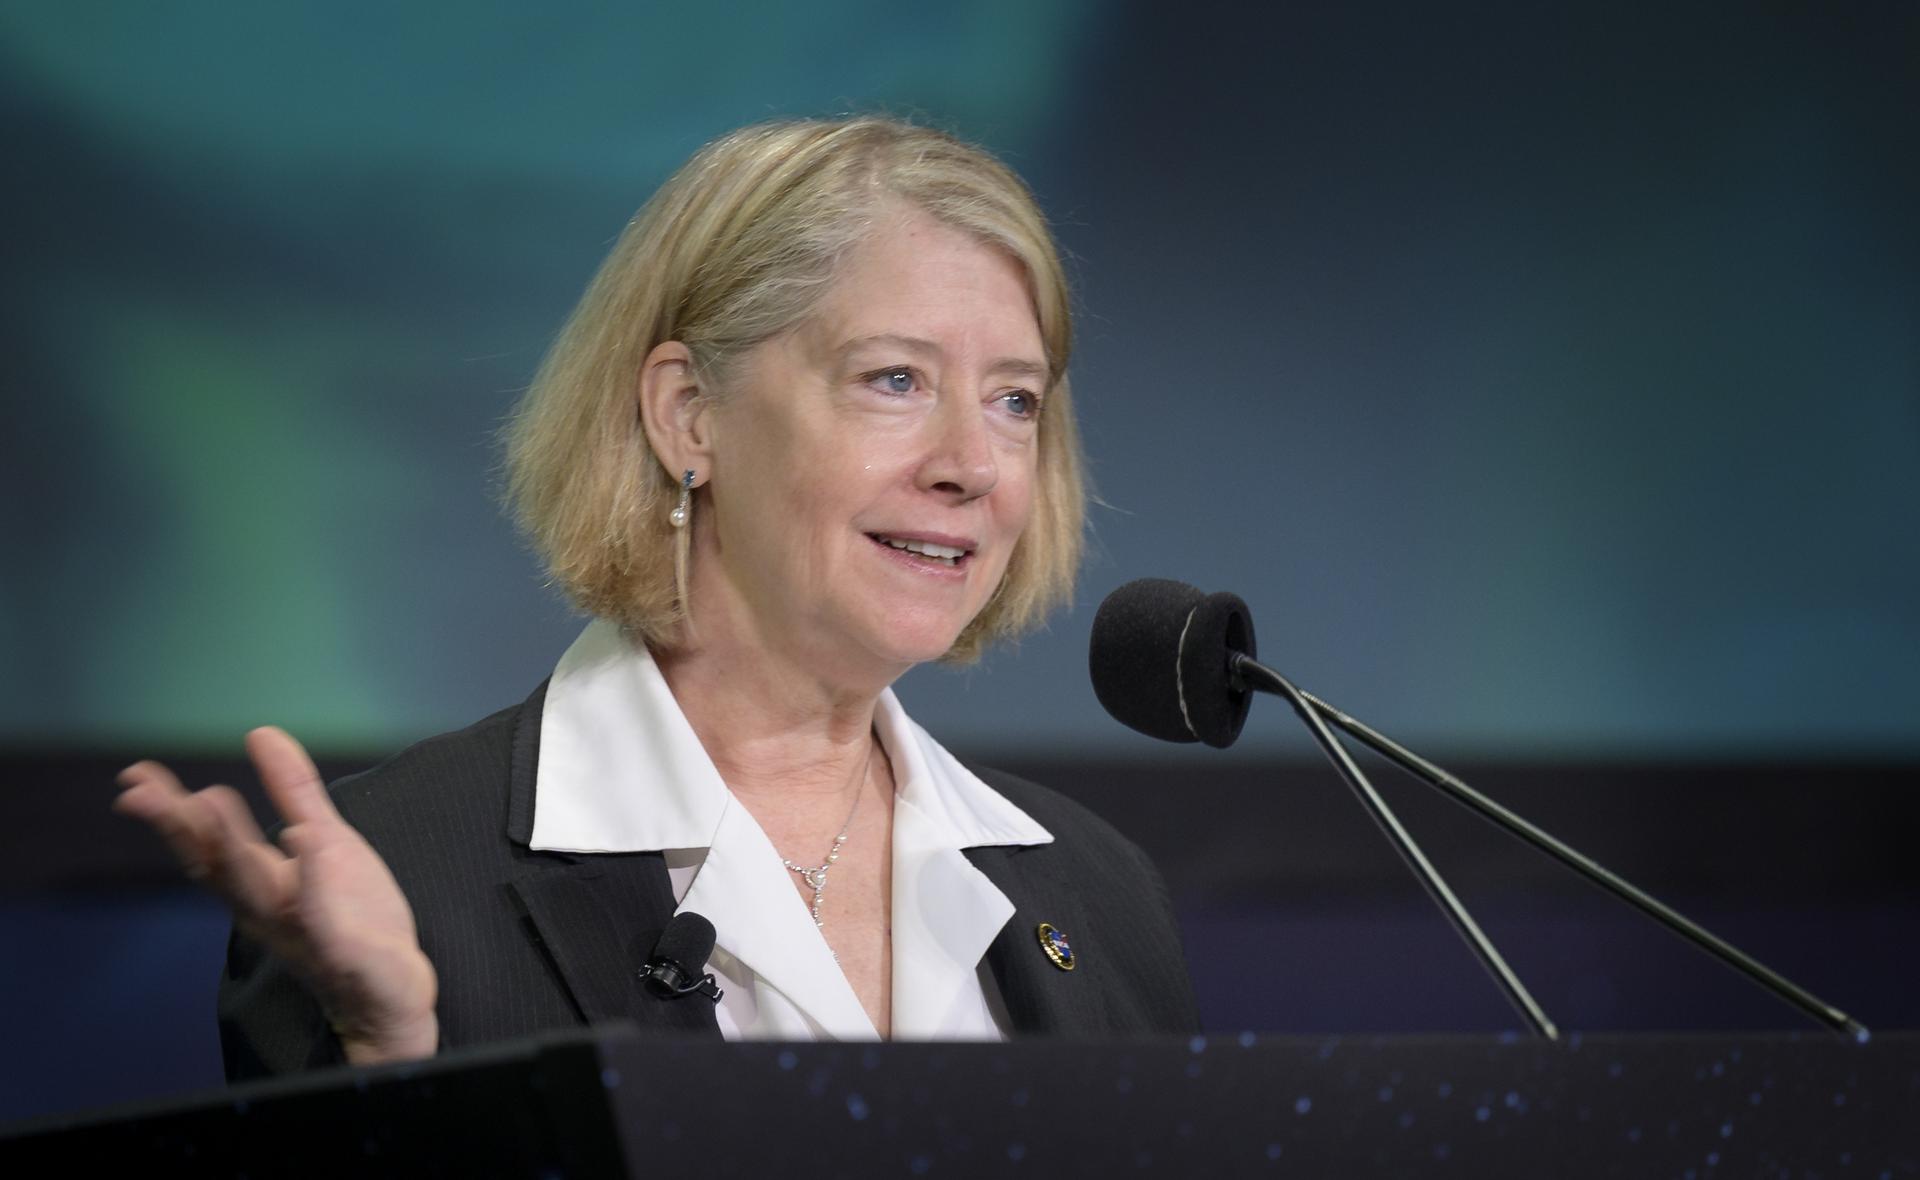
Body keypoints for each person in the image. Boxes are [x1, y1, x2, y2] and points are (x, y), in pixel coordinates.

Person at [114, 117, 1198, 1078]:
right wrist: (389, 1060)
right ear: (689, 415)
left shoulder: (1099, 891)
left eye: (1015, 400)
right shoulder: (401, 872)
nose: (974, 462)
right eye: (895, 380)